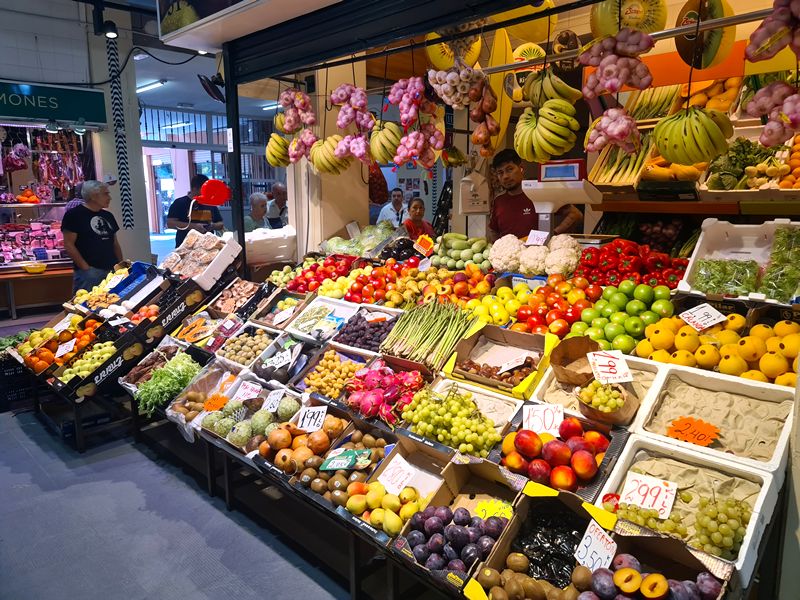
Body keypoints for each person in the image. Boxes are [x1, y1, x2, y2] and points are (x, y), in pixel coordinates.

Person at [488, 149, 583, 241]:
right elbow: (493, 230)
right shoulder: (499, 201)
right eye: (500, 173)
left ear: (521, 168)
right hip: (508, 255)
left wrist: (552, 234)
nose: (505, 176)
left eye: (509, 169)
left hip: (536, 253)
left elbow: (575, 214)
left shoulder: (539, 193)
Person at [61, 180, 123, 293]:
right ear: (93, 196)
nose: (109, 197)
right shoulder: (74, 215)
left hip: (112, 270)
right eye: (105, 194)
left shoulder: (108, 215)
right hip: (89, 273)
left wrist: (120, 265)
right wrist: (86, 268)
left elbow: (114, 243)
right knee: (85, 307)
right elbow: (68, 244)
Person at [166, 174, 224, 247]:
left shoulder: (210, 203)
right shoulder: (180, 203)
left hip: (207, 247)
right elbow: (170, 223)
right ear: (194, 189)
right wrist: (193, 226)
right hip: (186, 247)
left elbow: (220, 224)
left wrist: (212, 226)